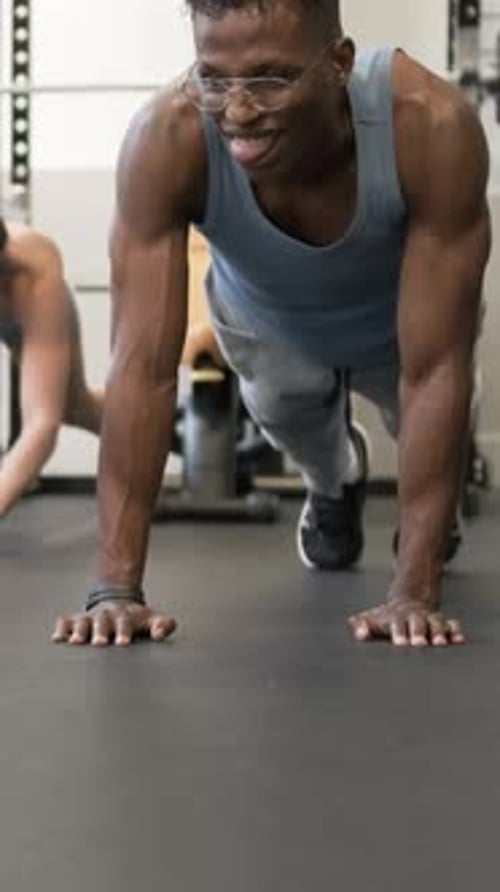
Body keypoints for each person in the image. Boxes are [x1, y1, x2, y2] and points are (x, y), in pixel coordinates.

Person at [52, 0, 491, 648]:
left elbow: (433, 370)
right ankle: (333, 481)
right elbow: (141, 368)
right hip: (267, 323)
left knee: (435, 446)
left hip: (401, 328)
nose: (237, 109)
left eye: (270, 78)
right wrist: (115, 589)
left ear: (339, 63)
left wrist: (412, 592)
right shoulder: (166, 138)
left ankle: (432, 515)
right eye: (214, 78)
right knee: (292, 417)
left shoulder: (430, 125)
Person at [0, 218, 104, 516]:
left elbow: (42, 423)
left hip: (24, 306)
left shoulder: (35, 276)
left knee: (73, 406)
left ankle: (161, 434)